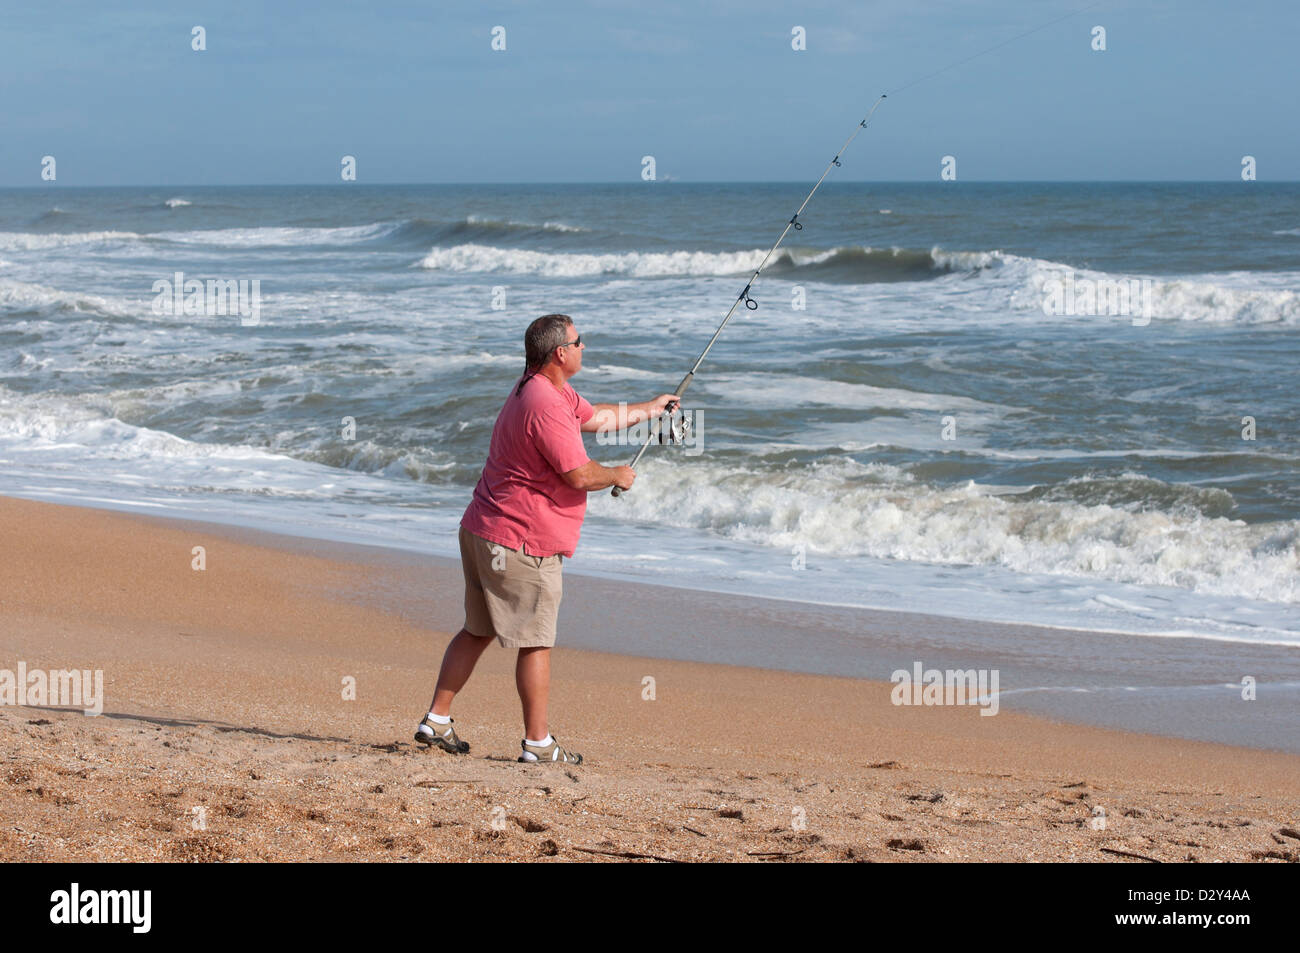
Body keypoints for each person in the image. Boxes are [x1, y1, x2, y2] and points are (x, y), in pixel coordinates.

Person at [414, 313, 681, 764]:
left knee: (476, 630)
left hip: (483, 530)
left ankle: (436, 719)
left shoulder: (540, 387)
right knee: (536, 641)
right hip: (520, 543)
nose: (583, 348)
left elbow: (595, 418)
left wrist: (652, 408)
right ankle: (538, 744)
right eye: (579, 342)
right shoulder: (545, 404)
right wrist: (616, 474)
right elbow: (578, 474)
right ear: (561, 352)